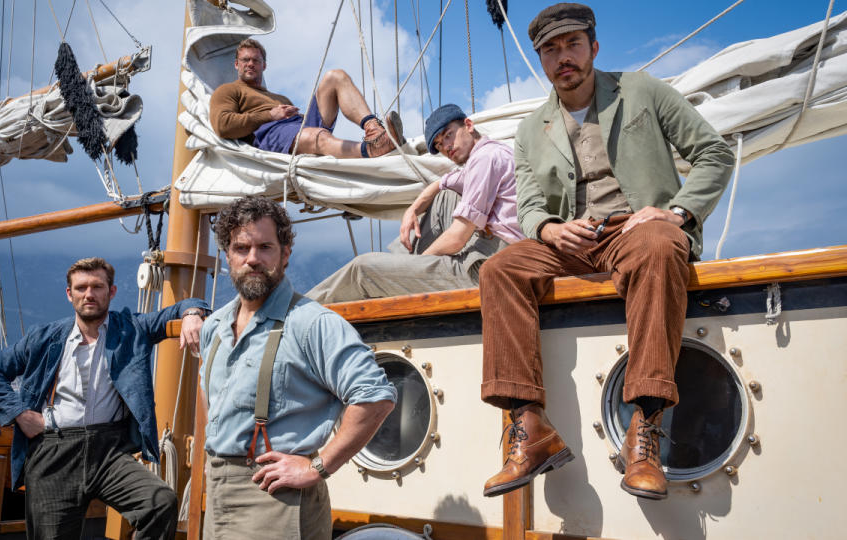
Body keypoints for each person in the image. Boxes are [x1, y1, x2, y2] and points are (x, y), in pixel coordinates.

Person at [479, 3, 733, 501]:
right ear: (541, 59)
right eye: (550, 49)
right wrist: (549, 228)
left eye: (572, 44)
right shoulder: (531, 130)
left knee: (661, 245)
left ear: (594, 47)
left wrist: (677, 213)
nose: (563, 57)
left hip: (639, 229)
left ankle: (645, 430)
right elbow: (530, 204)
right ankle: (529, 429)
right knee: (499, 269)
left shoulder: (643, 90)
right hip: (573, 241)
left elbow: (714, 152)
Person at [186, 196, 396, 540]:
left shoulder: (312, 323)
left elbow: (375, 396)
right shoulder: (215, 327)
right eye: (241, 248)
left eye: (265, 247)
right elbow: (211, 398)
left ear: (285, 254)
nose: (253, 258)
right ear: (228, 257)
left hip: (276, 499)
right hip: (218, 490)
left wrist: (318, 466)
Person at [0, 257, 210, 539]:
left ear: (111, 292)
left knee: (159, 502)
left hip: (108, 452)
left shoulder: (132, 329)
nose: (89, 294)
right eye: (81, 287)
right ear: (69, 293)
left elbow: (186, 304)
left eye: (97, 287)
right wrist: (20, 415)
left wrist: (192, 314)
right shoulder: (45, 338)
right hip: (53, 451)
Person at [306, 104, 525, 303]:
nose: (446, 147)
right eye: (439, 145)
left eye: (449, 135)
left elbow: (458, 237)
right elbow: (441, 184)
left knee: (362, 268)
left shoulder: (485, 160)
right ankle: (398, 262)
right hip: (494, 251)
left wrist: (416, 267)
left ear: (468, 125)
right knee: (443, 195)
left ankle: (294, 316)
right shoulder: (491, 152)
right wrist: (412, 209)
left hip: (488, 265)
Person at [210, 38, 404, 158]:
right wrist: (270, 115)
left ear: (264, 66)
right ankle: (371, 150)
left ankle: (375, 131)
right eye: (245, 60)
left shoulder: (279, 96)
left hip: (296, 127)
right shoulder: (228, 91)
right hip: (270, 133)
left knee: (335, 76)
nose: (250, 64)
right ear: (236, 64)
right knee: (317, 136)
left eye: (256, 60)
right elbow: (222, 125)